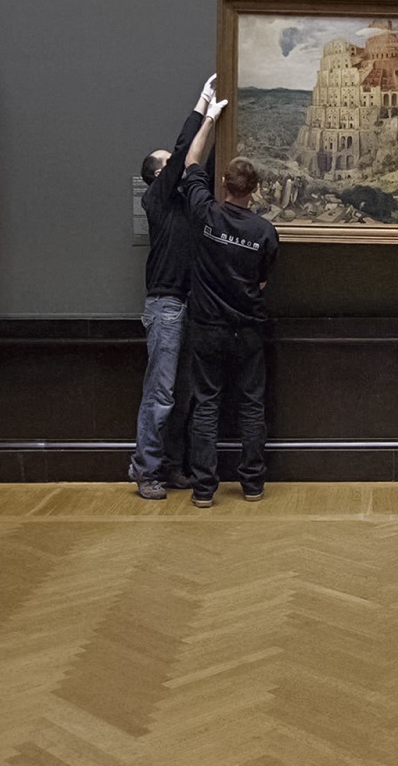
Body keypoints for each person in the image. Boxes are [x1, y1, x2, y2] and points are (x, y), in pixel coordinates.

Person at [178, 98, 279, 508]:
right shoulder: (265, 232)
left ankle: (204, 489)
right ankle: (252, 484)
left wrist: (208, 118)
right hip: (248, 328)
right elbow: (262, 281)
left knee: (206, 405)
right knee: (251, 405)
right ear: (254, 190)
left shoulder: (206, 215)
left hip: (207, 326)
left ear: (224, 184)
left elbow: (190, 163)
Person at [128, 74, 218, 500]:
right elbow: (185, 152)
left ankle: (170, 467)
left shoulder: (183, 200)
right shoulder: (157, 199)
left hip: (185, 305)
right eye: (169, 162)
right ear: (160, 173)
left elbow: (200, 162)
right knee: (160, 395)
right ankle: (145, 470)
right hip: (166, 307)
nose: (177, 162)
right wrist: (201, 108)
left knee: (180, 395)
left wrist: (216, 123)